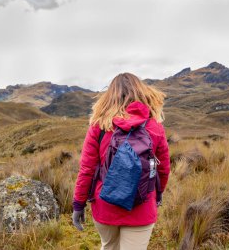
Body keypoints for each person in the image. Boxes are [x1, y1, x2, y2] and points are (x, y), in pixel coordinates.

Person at [72, 72, 170, 250]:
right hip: (142, 206)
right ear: (143, 93)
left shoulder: (99, 126)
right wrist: (157, 194)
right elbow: (163, 169)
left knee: (108, 246)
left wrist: (78, 204)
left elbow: (86, 169)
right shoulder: (155, 127)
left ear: (109, 97)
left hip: (105, 205)